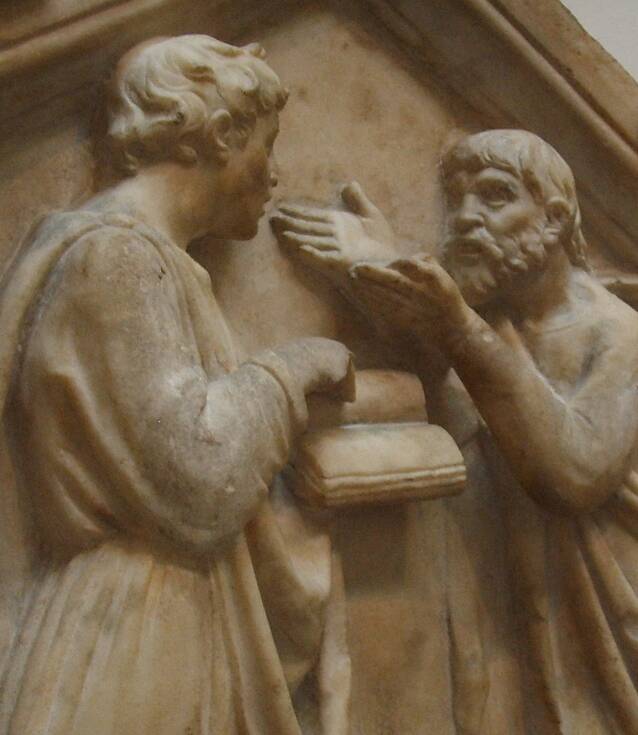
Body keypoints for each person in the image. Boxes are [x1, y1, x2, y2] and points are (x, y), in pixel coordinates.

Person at [0, 35, 353, 735]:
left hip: (158, 622)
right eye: (267, 146)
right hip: (131, 639)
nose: (274, 175)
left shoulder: (145, 257)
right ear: (220, 136)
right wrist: (294, 367)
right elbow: (196, 479)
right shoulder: (117, 257)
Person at [273, 130, 638, 734]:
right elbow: (463, 415)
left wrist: (454, 323)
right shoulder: (493, 315)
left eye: (495, 196)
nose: (466, 217)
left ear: (554, 219)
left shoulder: (617, 334)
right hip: (526, 614)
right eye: (457, 199)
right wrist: (383, 273)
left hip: (611, 613)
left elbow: (572, 474)